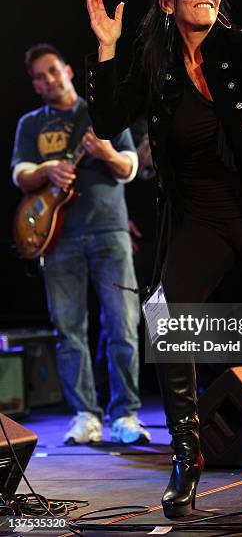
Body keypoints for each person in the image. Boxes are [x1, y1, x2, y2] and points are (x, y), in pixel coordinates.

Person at [84, 0, 242, 515]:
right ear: (167, 0)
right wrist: (108, 49)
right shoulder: (155, 67)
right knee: (169, 315)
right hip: (202, 220)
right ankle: (187, 453)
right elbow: (107, 120)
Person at [11, 43, 151, 445]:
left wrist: (106, 150)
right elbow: (20, 174)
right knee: (68, 328)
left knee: (122, 323)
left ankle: (125, 414)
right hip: (57, 237)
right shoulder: (30, 124)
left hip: (109, 231)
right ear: (35, 85)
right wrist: (48, 169)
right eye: (39, 77)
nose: (47, 80)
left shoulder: (101, 112)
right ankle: (85, 415)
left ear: (69, 70)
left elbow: (129, 167)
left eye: (52, 71)